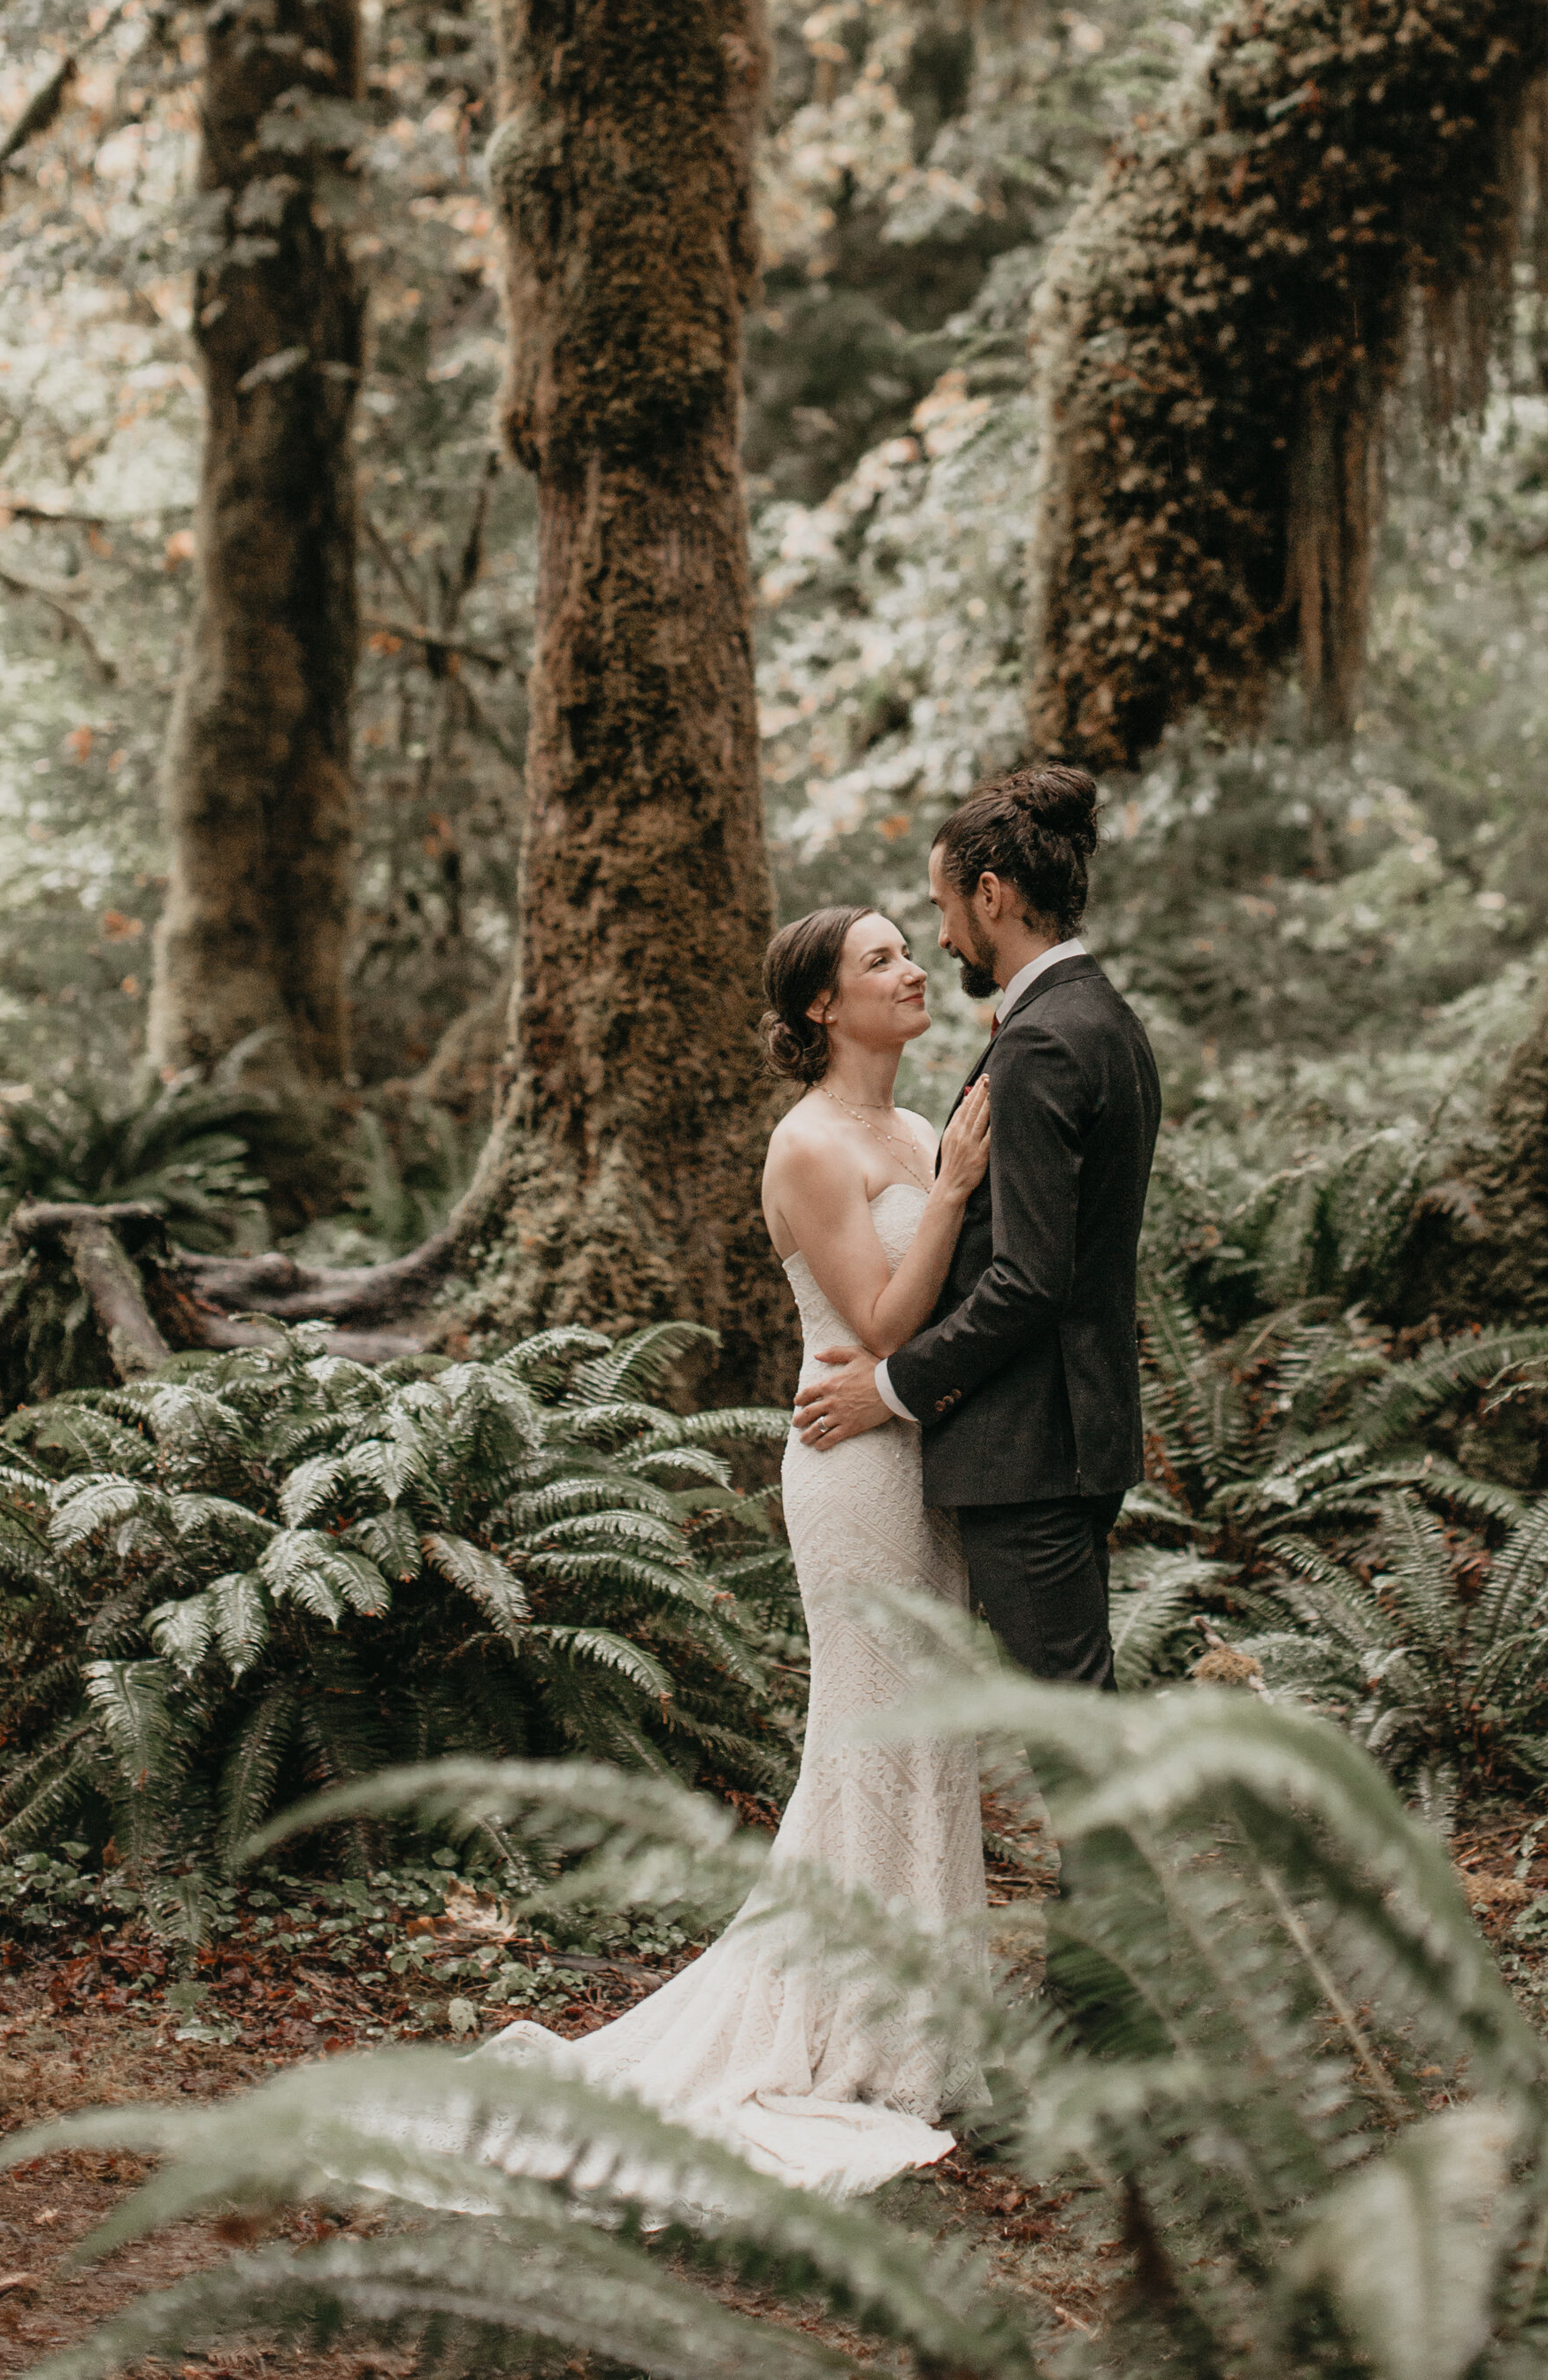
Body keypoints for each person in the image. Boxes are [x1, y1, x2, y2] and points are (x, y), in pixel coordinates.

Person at [483, 903, 996, 2194]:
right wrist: (959, 1191)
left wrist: (949, 1177)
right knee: (870, 1733)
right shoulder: (810, 1144)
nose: (911, 966)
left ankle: (927, 2027)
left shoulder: (923, 1129)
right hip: (856, 1467)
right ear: (824, 1004)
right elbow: (880, 1313)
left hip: (927, 1456)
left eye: (907, 947)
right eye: (881, 957)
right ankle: (853, 2038)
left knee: (929, 1732)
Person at [794, 763, 1161, 1695]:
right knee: (1083, 1719)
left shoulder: (1039, 1042)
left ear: (990, 896)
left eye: (943, 908)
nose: (942, 938)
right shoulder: (1103, 1019)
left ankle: (1120, 1852)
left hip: (1030, 1450)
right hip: (1080, 1429)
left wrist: (894, 1390)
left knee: (1078, 1742)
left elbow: (1028, 1278)